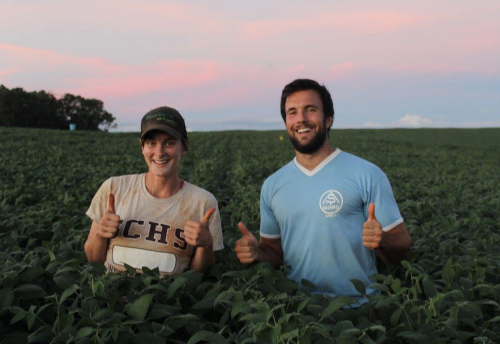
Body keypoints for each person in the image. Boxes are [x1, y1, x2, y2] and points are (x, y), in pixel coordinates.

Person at [234, 79, 411, 302]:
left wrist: (383, 239)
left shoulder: (367, 173)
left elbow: (403, 246)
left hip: (361, 309)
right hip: (298, 309)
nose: (301, 119)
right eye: (292, 112)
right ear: (286, 122)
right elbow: (275, 253)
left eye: (311, 110)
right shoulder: (273, 185)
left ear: (328, 119)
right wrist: (258, 253)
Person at [84, 106, 223, 275]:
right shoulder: (114, 188)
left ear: (184, 147)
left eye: (169, 143)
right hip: (113, 296)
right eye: (151, 143)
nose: (159, 152)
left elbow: (200, 275)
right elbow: (93, 260)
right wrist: (100, 234)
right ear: (142, 147)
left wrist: (206, 245)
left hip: (169, 298)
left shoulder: (203, 202)